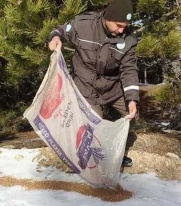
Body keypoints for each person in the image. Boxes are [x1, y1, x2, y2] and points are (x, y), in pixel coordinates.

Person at [48, 0, 139, 167]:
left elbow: (129, 70)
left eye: (125, 26)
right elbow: (59, 30)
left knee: (131, 115)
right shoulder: (83, 25)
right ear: (107, 18)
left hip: (112, 88)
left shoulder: (129, 39)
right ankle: (98, 156)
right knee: (95, 126)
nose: (122, 30)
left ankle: (116, 153)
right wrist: (55, 38)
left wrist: (132, 99)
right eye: (119, 25)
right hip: (86, 86)